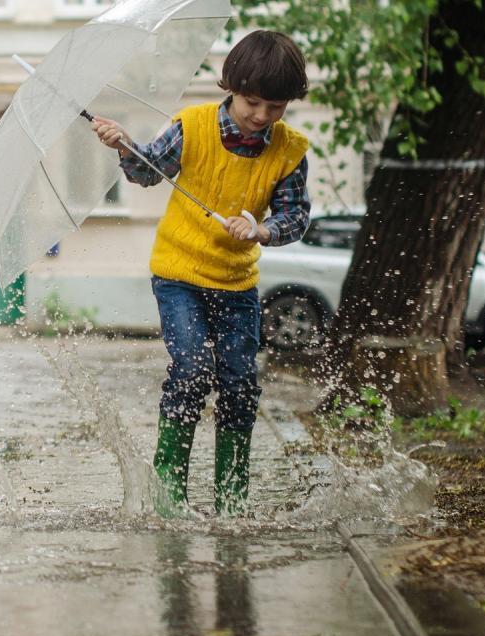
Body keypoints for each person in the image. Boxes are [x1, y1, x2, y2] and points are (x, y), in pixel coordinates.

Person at [91, 30, 311, 517]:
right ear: (230, 86)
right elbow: (147, 171)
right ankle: (170, 498)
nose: (261, 116)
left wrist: (263, 230)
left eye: (275, 107)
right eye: (253, 102)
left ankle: (232, 501)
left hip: (237, 284)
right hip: (179, 276)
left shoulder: (290, 151)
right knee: (191, 372)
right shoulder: (191, 127)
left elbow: (295, 217)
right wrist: (124, 145)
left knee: (239, 384)